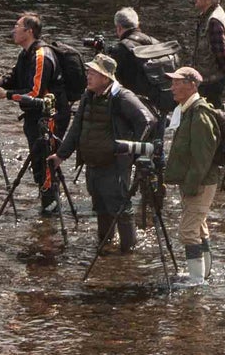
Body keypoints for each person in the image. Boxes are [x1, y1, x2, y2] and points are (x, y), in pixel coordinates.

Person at [57, 53, 155, 252]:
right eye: (89, 72)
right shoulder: (88, 95)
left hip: (115, 166)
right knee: (101, 208)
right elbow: (76, 128)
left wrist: (132, 152)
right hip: (93, 164)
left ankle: (128, 254)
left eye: (93, 73)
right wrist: (61, 155)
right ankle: (105, 247)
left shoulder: (122, 97)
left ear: (105, 77)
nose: (88, 76)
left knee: (121, 210)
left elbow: (148, 121)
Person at [0, 11, 65, 217]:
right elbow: (16, 76)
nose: (14, 30)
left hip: (49, 116)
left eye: (17, 27)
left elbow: (34, 92)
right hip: (34, 115)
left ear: (28, 32)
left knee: (45, 161)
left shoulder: (40, 56)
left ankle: (51, 207)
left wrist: (7, 95)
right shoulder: (25, 53)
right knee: (38, 160)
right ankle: (46, 203)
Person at [161, 65, 225, 285]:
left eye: (177, 83)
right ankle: (204, 274)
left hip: (200, 183)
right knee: (199, 226)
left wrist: (191, 185)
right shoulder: (187, 110)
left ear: (191, 85)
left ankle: (197, 280)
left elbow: (202, 158)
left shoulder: (199, 114)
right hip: (196, 181)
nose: (172, 87)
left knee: (187, 231)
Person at [191, 0, 225, 103]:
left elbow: (221, 52)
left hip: (211, 80)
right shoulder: (208, 15)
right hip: (207, 78)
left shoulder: (214, 21)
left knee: (209, 110)